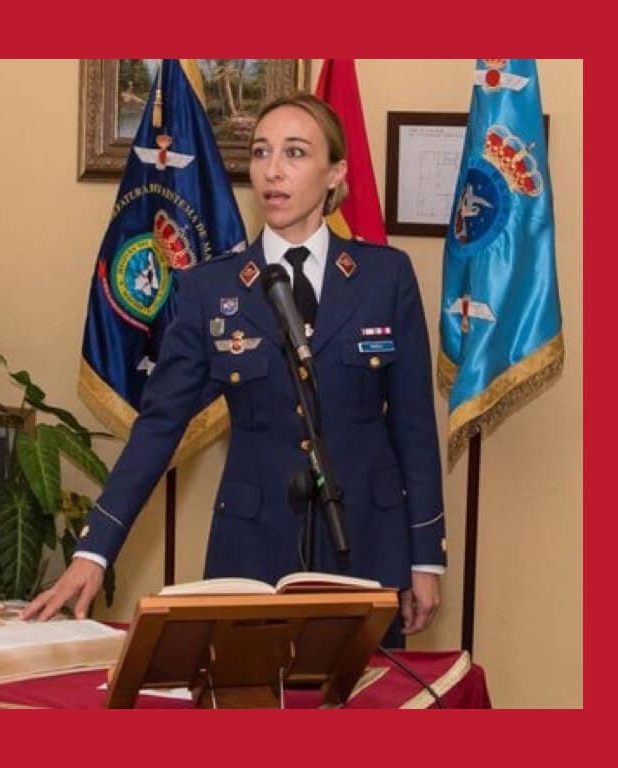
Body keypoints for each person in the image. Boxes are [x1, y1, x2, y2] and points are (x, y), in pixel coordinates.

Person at [23, 94, 444, 645]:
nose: (273, 170)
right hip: (253, 547)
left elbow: (413, 424)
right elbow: (158, 426)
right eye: (262, 152)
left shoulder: (383, 275)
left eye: (295, 153)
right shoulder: (211, 288)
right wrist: (95, 548)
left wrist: (424, 557)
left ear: (335, 173)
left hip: (366, 538)